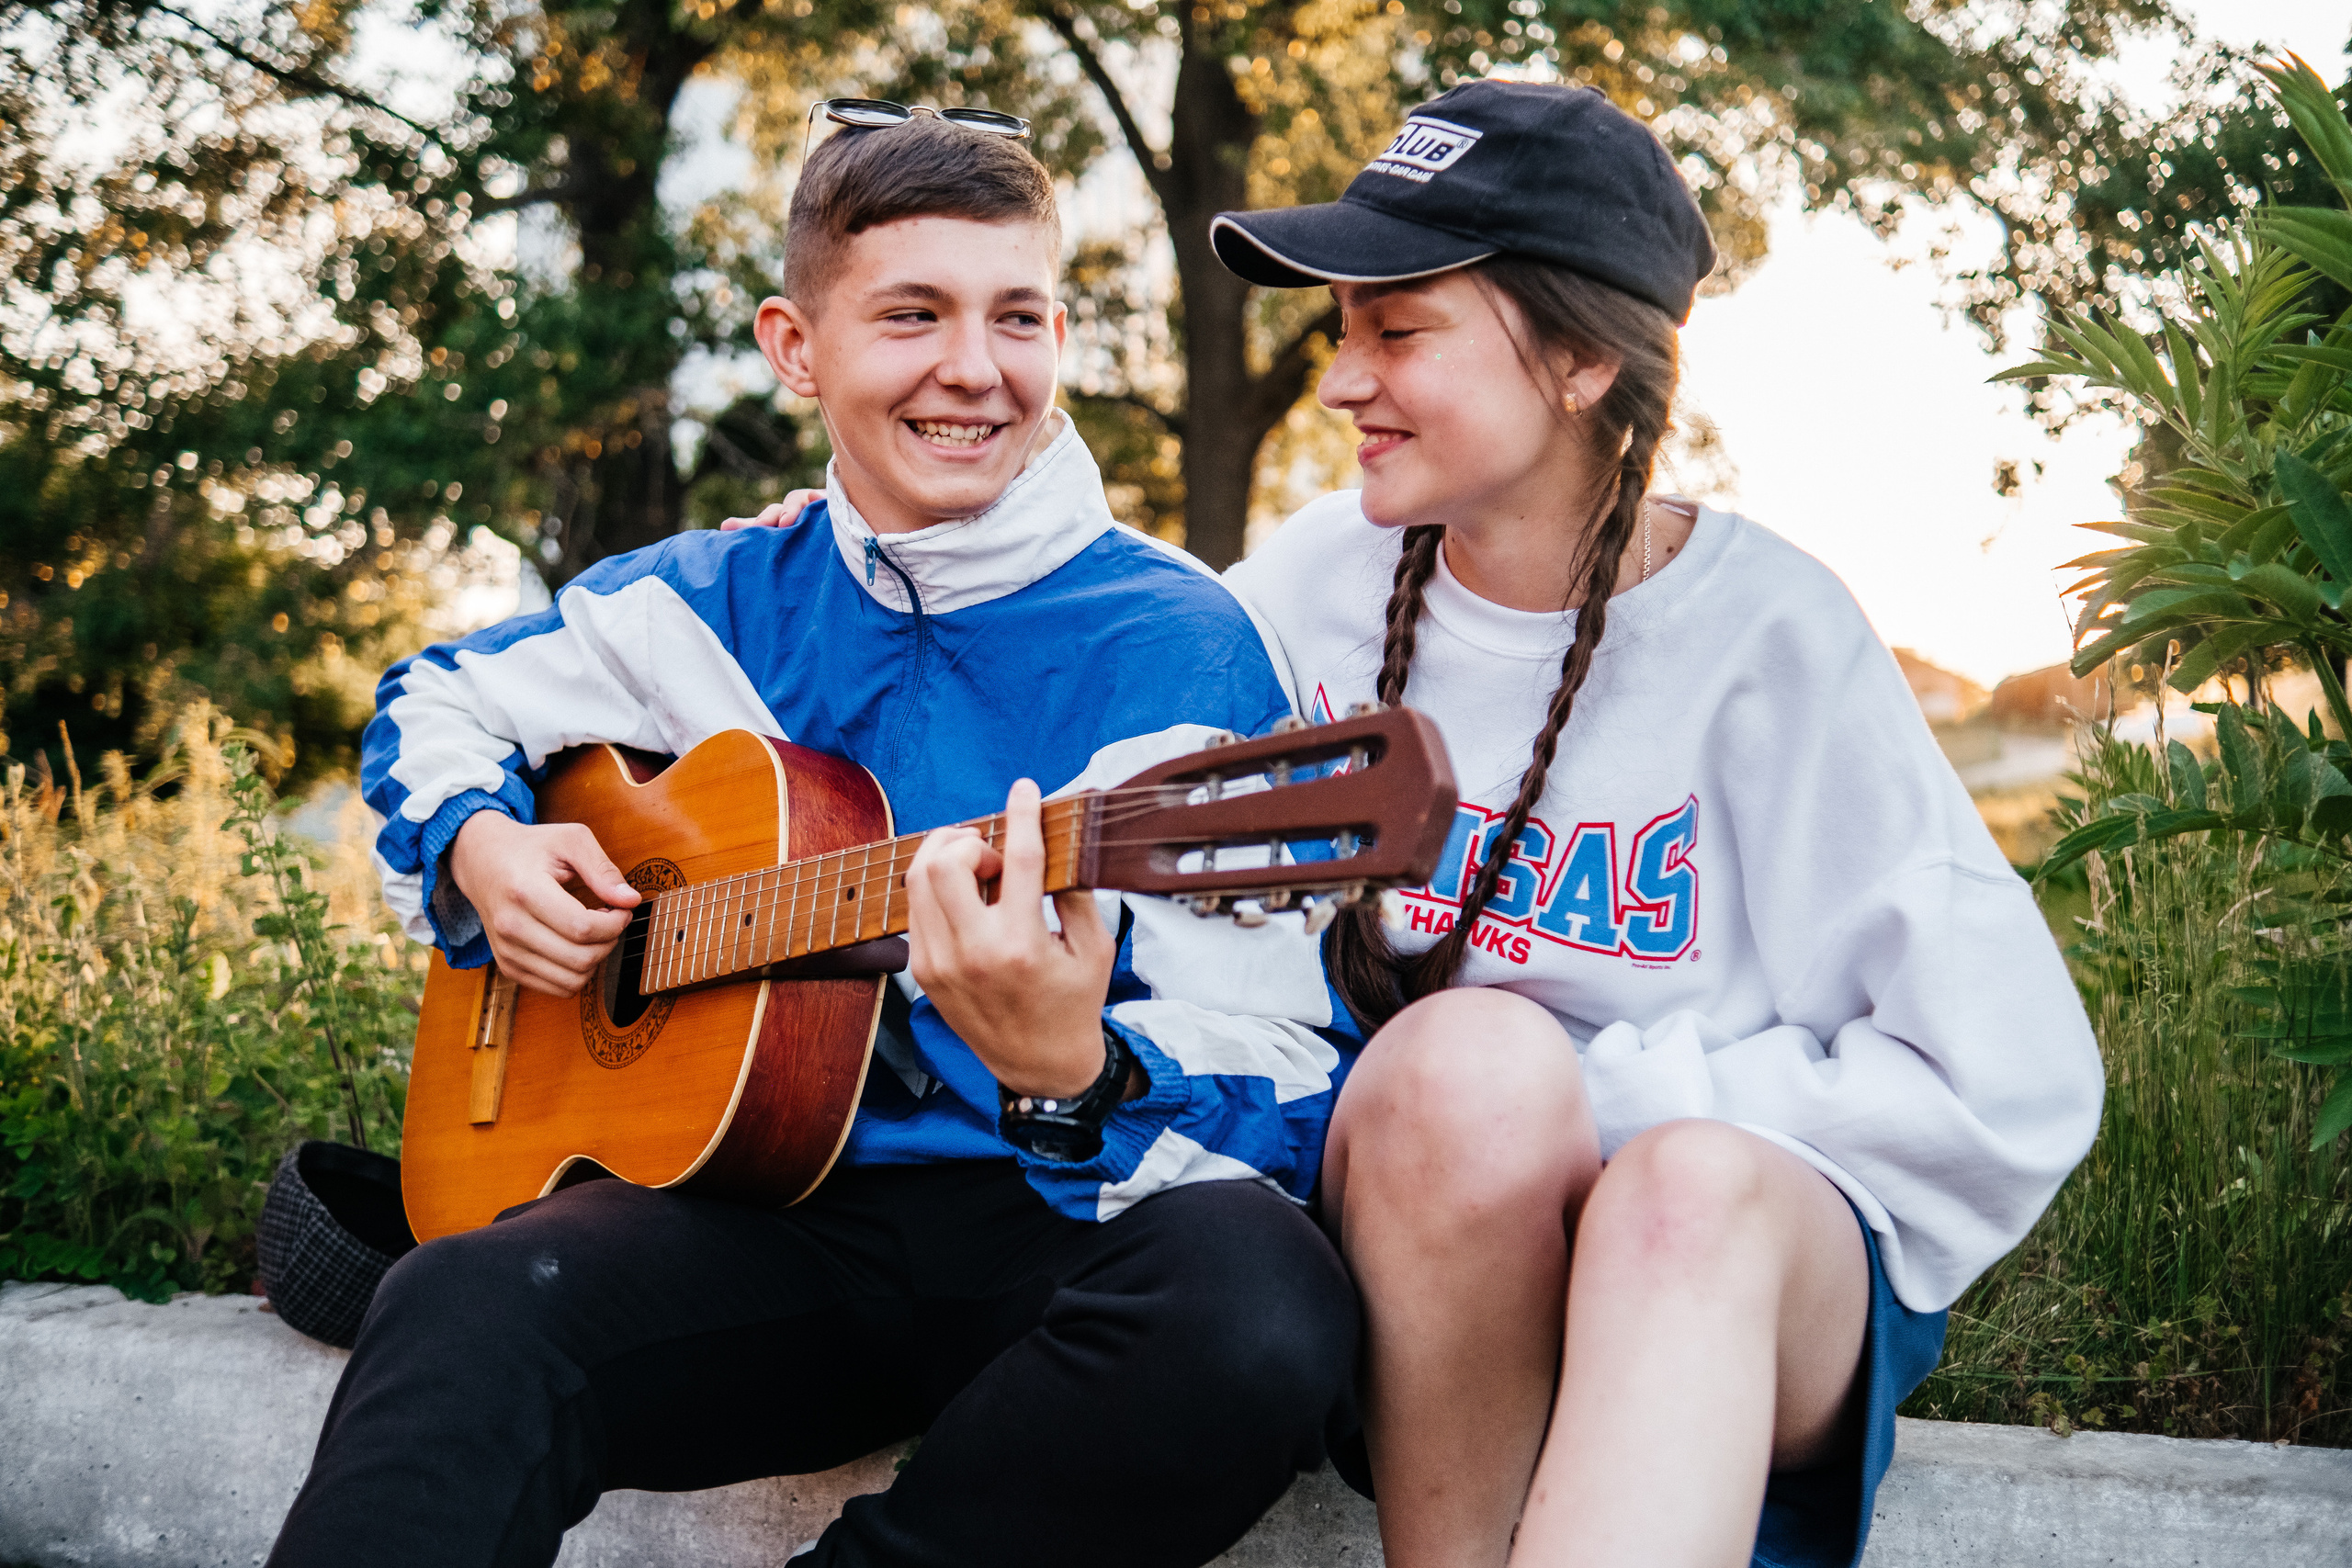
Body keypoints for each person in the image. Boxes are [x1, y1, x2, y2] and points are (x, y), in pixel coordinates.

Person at [273, 107, 1360, 1568]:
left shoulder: (1181, 646)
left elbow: (1292, 1073)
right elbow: (432, 706)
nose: (975, 368)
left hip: (1058, 1226)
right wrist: (481, 848)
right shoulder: (710, 596)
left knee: (1260, 1306)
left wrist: (1078, 1070)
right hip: (764, 1225)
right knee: (469, 1298)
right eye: (914, 314)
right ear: (797, 348)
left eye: (1018, 317)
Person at [1208, 81, 2107, 1568]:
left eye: (1400, 329)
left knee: (1673, 1186)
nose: (1340, 382)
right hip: (1419, 1249)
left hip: (1729, 1275)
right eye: (1341, 331)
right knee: (1460, 1072)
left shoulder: (1772, 634)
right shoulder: (1297, 593)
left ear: (1574, 359)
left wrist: (1603, 1121)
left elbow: (2003, 1082)